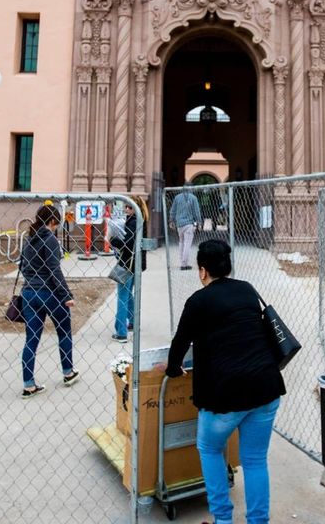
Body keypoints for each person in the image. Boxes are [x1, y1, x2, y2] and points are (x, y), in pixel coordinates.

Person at [165, 240, 285, 524]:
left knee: (210, 449)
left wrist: (173, 368)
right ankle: (258, 521)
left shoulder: (198, 301)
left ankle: (222, 519)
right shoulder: (247, 290)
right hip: (265, 387)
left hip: (224, 395)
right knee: (255, 460)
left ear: (202, 270)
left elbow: (180, 343)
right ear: (228, 266)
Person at [19, 205, 79, 396]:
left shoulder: (29, 239)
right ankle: (68, 372)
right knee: (64, 331)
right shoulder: (50, 239)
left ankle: (28, 384)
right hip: (50, 293)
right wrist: (66, 295)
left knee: (31, 339)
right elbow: (54, 270)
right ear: (53, 221)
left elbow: (22, 266)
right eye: (57, 223)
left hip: (29, 293)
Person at [109, 202, 146, 342]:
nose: (126, 209)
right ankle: (133, 322)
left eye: (129, 207)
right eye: (126, 206)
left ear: (135, 209)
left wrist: (113, 240)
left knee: (122, 296)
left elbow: (127, 243)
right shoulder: (141, 221)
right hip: (135, 264)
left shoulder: (132, 222)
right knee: (128, 294)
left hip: (127, 263)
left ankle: (121, 332)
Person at [170, 187, 202, 270]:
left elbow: (173, 210)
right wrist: (199, 222)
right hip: (189, 224)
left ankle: (182, 262)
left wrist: (171, 220)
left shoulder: (177, 197)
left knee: (181, 243)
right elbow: (196, 211)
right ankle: (184, 264)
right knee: (187, 244)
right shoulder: (193, 198)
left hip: (179, 224)